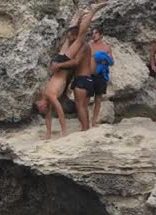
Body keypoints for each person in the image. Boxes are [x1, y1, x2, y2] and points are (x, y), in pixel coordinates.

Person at [38, 0, 108, 139]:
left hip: (61, 64)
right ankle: (78, 15)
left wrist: (64, 132)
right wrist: (48, 134)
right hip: (59, 63)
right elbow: (50, 116)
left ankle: (92, 11)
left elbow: (60, 113)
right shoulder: (46, 96)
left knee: (80, 37)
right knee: (69, 38)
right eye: (43, 108)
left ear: (40, 103)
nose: (43, 108)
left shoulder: (49, 95)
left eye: (41, 107)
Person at [89, 27, 114, 127]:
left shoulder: (106, 47)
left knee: (98, 99)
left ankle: (94, 121)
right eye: (92, 33)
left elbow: (111, 62)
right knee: (86, 98)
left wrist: (105, 60)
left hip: (100, 75)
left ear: (101, 35)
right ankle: (86, 120)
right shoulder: (89, 46)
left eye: (96, 33)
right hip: (89, 74)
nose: (94, 35)